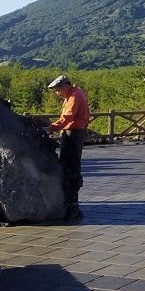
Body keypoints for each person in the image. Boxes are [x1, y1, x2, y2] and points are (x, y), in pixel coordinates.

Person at [48, 75, 89, 222]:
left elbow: (68, 116)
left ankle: (72, 206)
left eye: (57, 90)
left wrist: (51, 127)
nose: (56, 93)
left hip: (73, 134)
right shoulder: (75, 93)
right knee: (70, 166)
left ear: (64, 86)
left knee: (70, 168)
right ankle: (70, 203)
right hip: (75, 132)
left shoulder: (74, 97)